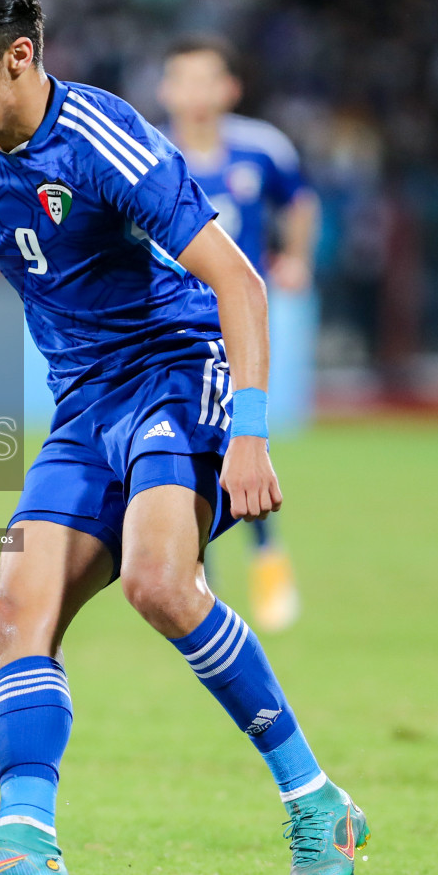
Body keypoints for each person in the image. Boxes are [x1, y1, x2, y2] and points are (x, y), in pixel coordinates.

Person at [0, 0, 368, 875]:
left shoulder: (107, 139)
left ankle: (319, 803)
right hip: (82, 405)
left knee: (159, 582)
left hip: (173, 374)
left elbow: (240, 281)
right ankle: (27, 838)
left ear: (20, 55)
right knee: (15, 614)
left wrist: (250, 435)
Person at [157, 34, 320, 633]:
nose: (196, 94)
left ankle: (266, 557)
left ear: (229, 88)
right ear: (165, 90)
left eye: (208, 81)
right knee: (187, 447)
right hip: (167, 327)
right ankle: (208, 577)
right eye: (184, 80)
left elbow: (300, 203)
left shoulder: (261, 149)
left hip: (236, 325)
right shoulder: (147, 151)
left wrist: (296, 257)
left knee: (240, 440)